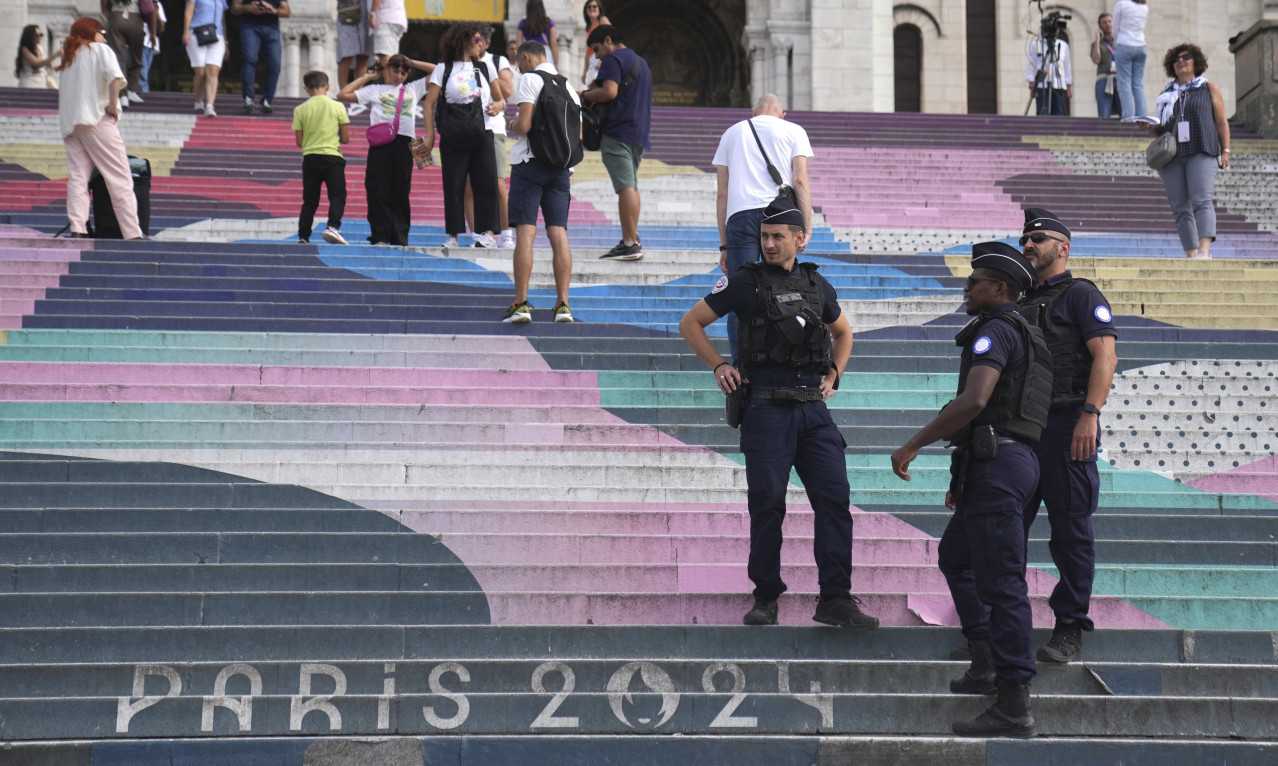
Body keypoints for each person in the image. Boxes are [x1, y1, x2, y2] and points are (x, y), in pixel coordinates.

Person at [679, 195, 879, 632]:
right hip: (766, 408)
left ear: (800, 239)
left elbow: (843, 334)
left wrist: (834, 375)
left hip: (813, 409)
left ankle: (835, 599)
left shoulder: (817, 285)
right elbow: (691, 322)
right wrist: (719, 364)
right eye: (765, 236)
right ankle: (766, 596)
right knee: (767, 505)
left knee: (835, 501)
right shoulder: (744, 282)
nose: (768, 244)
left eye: (777, 236)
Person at [891, 241, 1052, 739]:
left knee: (1003, 584)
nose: (966, 287)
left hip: (1001, 466)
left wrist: (913, 444)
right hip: (1000, 465)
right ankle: (984, 660)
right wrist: (964, 478)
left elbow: (975, 400)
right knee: (957, 557)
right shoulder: (1023, 330)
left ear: (999, 288)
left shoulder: (998, 330)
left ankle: (1013, 701)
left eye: (974, 281)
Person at [1016, 207, 1118, 663]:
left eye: (1038, 238)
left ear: (1063, 248)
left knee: (1070, 531)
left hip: (1065, 426)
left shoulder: (1080, 295)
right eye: (1025, 239)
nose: (1029, 245)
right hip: (1019, 430)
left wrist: (1089, 414)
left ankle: (1070, 627)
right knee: (1004, 531)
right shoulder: (1016, 301)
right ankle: (1001, 629)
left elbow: (1105, 357)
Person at [712, 93, 813, 360]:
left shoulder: (731, 133)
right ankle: (782, 358)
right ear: (783, 114)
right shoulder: (794, 130)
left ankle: (741, 367)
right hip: (781, 218)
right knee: (784, 291)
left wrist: (724, 245)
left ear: (753, 112)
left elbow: (722, 193)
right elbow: (800, 180)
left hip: (740, 217)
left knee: (739, 293)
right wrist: (805, 225)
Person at [501, 40, 579, 324]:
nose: (518, 67)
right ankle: (563, 306)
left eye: (518, 62)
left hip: (530, 164)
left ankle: (521, 304)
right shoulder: (569, 86)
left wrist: (509, 122)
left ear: (525, 57)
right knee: (558, 234)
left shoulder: (529, 79)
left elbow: (524, 125)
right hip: (561, 169)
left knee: (526, 234)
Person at [55, 17, 143, 240]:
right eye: (100, 30)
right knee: (119, 176)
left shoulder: (69, 58)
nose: (104, 35)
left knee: (78, 177)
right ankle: (132, 232)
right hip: (96, 119)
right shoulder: (100, 50)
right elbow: (114, 77)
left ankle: (78, 228)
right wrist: (114, 104)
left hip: (72, 124)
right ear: (90, 32)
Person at [422, 23, 506, 249]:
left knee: (486, 183)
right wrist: (430, 137)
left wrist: (498, 105)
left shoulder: (487, 67)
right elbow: (428, 104)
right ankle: (453, 236)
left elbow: (501, 99)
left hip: (483, 131)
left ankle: (487, 234)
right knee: (454, 185)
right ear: (463, 41)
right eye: (477, 40)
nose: (481, 45)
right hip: (453, 133)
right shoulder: (444, 69)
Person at [337, 53, 435, 245]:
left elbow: (438, 70)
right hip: (381, 143)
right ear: (388, 69)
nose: (399, 76)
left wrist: (412, 61)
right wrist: (368, 77)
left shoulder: (413, 88)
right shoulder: (375, 89)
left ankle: (399, 237)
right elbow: (342, 94)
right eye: (395, 70)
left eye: (403, 72)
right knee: (377, 189)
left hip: (405, 143)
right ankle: (380, 235)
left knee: (401, 191)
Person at [1149, 43, 1231, 260]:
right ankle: (1191, 252)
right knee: (1179, 206)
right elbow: (1159, 128)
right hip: (1171, 155)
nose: (1180, 61)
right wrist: (1148, 125)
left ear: (1196, 62)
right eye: (1176, 59)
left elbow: (1222, 122)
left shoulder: (1208, 88)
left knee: (1202, 200)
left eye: (1186, 57)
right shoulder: (1166, 93)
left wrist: (1226, 150)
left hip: (1201, 149)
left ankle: (1204, 251)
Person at [582, 24, 651, 261]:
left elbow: (609, 92)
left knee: (625, 188)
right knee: (632, 185)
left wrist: (584, 95)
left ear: (608, 40)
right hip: (637, 133)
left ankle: (629, 242)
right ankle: (633, 237)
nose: (598, 55)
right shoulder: (641, 63)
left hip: (617, 132)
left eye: (597, 49)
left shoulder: (613, 60)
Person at [465, 26, 517, 249]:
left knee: (497, 184)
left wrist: (486, 70)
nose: (475, 44)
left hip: (493, 129)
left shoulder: (497, 61)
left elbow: (506, 91)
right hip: (469, 129)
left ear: (486, 43)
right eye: (471, 40)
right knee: (469, 187)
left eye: (478, 40)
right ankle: (478, 235)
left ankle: (506, 234)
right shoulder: (461, 65)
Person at [293, 70, 350, 245]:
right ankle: (332, 226)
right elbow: (346, 138)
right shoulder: (338, 107)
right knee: (337, 195)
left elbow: (299, 142)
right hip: (332, 157)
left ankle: (303, 236)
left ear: (306, 89)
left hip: (310, 158)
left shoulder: (300, 109)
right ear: (328, 87)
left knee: (310, 200)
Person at [232, 0, 289, 114]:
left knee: (275, 65)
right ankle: (248, 98)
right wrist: (248, 8)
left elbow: (287, 12)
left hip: (272, 28)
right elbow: (234, 8)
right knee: (249, 58)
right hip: (250, 26)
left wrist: (274, 11)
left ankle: (267, 100)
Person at [101, 0, 156, 106]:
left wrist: (104, 10)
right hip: (136, 19)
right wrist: (153, 33)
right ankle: (132, 90)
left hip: (116, 18)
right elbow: (153, 9)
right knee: (137, 57)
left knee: (118, 58)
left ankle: (122, 95)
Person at [183, 0, 228, 117]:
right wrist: (186, 31)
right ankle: (199, 100)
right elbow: (188, 12)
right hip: (197, 32)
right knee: (201, 72)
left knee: (213, 70)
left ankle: (209, 106)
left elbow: (223, 20)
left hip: (217, 35)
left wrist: (226, 42)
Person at [1112, 0, 1149, 120]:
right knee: (1138, 83)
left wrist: (1117, 42)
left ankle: (1128, 116)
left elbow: (1115, 28)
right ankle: (1142, 116)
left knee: (1124, 82)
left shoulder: (1121, 4)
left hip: (1124, 43)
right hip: (1141, 45)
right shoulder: (1144, 7)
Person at [1026, 33, 1071, 116]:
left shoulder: (1063, 45)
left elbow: (1067, 67)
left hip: (1058, 85)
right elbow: (1031, 66)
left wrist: (1068, 86)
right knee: (1042, 114)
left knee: (1059, 114)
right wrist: (1032, 84)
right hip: (1041, 85)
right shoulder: (1036, 45)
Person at [335, 0, 372, 91]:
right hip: (348, 11)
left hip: (367, 13)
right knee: (346, 55)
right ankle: (343, 91)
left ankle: (358, 92)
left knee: (364, 56)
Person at [1090, 13, 1118, 118]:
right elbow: (1096, 60)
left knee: (1124, 113)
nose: (1107, 24)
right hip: (1104, 80)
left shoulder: (1120, 40)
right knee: (1104, 113)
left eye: (1110, 21)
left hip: (1120, 79)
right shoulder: (1098, 43)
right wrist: (1097, 40)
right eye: (1104, 22)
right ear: (1100, 26)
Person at [516, 0, 559, 67]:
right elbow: (554, 43)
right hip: (545, 53)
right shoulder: (549, 23)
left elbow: (519, 46)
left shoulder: (522, 24)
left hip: (529, 54)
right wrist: (556, 62)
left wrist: (519, 62)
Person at [368, 0, 406, 68]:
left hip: (385, 17)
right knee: (392, 57)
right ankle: (391, 78)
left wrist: (373, 13)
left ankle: (389, 78)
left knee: (384, 54)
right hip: (397, 17)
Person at [580, 0, 610, 86]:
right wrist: (585, 72)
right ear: (586, 10)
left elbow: (611, 37)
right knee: (592, 86)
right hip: (592, 60)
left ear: (599, 9)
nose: (592, 9)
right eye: (589, 7)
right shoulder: (589, 28)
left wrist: (604, 59)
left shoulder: (602, 20)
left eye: (594, 6)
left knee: (600, 86)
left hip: (600, 57)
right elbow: (587, 52)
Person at [139, 2, 166, 93]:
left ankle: (143, 91)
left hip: (151, 44)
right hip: (139, 40)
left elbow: (162, 27)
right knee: (142, 70)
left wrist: (156, 14)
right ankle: (144, 92)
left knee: (145, 70)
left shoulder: (157, 3)